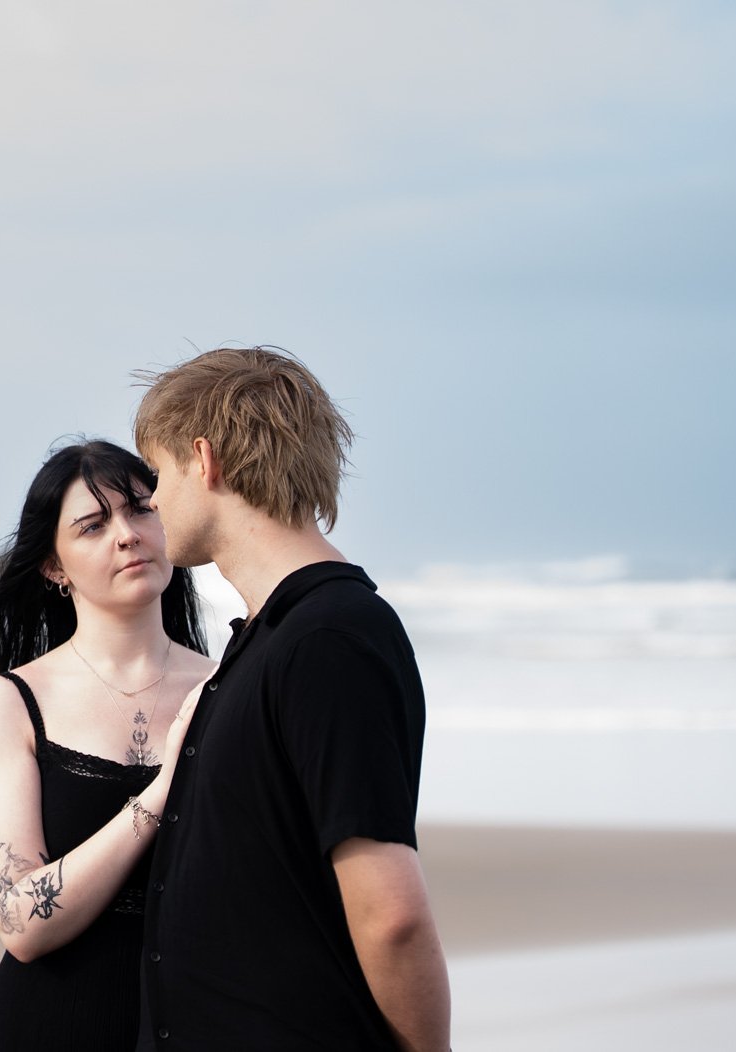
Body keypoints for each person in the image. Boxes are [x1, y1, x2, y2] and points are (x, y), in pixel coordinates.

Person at [130, 347, 451, 1051]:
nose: (151, 499)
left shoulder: (331, 637)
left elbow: (391, 914)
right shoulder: (267, 641)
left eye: (157, 473)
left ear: (204, 459)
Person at [0, 439, 216, 1051]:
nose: (126, 535)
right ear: (53, 566)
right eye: (93, 526)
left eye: (141, 509)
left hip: (204, 1020)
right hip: (56, 1023)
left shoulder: (230, 684)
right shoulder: (11, 703)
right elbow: (20, 922)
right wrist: (158, 796)